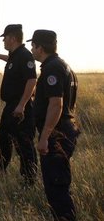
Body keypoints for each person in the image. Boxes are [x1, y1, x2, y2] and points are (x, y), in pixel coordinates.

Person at [30, 29, 79, 221]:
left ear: (40, 47)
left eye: (33, 46)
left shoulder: (52, 69)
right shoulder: (62, 66)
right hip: (62, 131)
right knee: (56, 183)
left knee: (56, 185)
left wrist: (44, 138)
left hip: (56, 135)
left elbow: (56, 104)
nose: (32, 50)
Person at [0, 24, 38, 185]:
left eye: (5, 38)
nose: (4, 41)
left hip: (21, 108)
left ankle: (29, 180)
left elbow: (32, 80)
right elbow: (12, 60)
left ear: (12, 38)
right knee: (2, 139)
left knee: (24, 144)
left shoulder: (25, 55)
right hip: (11, 107)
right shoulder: (16, 55)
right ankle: (1, 170)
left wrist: (21, 105)